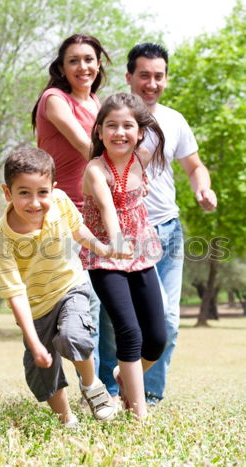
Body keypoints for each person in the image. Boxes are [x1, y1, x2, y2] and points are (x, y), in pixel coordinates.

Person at [98, 42, 217, 405]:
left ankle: (148, 394)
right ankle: (108, 394)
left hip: (165, 229)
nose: (152, 83)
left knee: (166, 318)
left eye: (158, 76)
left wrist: (203, 188)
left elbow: (194, 167)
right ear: (129, 76)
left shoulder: (174, 120)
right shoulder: (110, 118)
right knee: (112, 321)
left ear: (165, 79)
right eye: (144, 75)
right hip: (120, 233)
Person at [0, 146, 126, 426]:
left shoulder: (61, 201)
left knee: (73, 335)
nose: (35, 202)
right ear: (8, 193)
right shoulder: (2, 238)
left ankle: (92, 388)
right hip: (35, 306)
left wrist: (102, 249)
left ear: (53, 189)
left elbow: (78, 230)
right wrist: (32, 339)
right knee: (42, 369)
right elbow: (14, 292)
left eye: (42, 192)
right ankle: (67, 420)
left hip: (70, 287)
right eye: (24, 193)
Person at [80, 93, 167, 419]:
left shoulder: (142, 158)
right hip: (105, 255)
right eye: (111, 126)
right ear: (99, 131)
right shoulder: (95, 169)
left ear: (140, 131)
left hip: (141, 253)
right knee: (129, 331)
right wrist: (116, 240)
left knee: (157, 339)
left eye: (127, 126)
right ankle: (138, 415)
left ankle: (122, 375)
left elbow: (138, 195)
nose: (120, 133)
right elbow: (106, 209)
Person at [31, 34, 111, 380]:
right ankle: (80, 386)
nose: (83, 67)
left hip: (93, 215)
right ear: (62, 67)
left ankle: (101, 383)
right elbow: (86, 146)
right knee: (70, 300)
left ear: (99, 64)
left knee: (99, 303)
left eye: (89, 59)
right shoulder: (54, 99)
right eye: (74, 60)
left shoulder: (97, 102)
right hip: (60, 216)